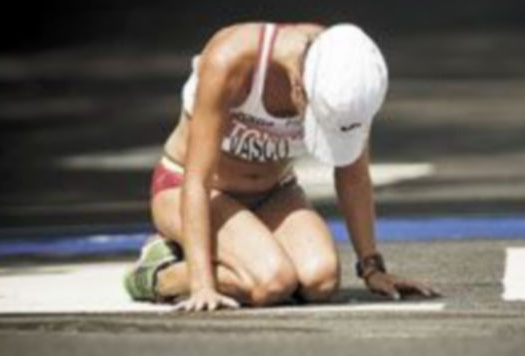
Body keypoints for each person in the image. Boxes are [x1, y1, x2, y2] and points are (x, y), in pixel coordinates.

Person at [124, 21, 439, 311]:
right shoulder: (232, 59)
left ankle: (242, 253)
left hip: (274, 193)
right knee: (271, 282)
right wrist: (202, 285)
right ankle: (159, 273)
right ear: (299, 88)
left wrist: (372, 268)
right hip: (191, 190)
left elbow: (353, 176)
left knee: (321, 281)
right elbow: (197, 180)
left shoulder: (350, 74)